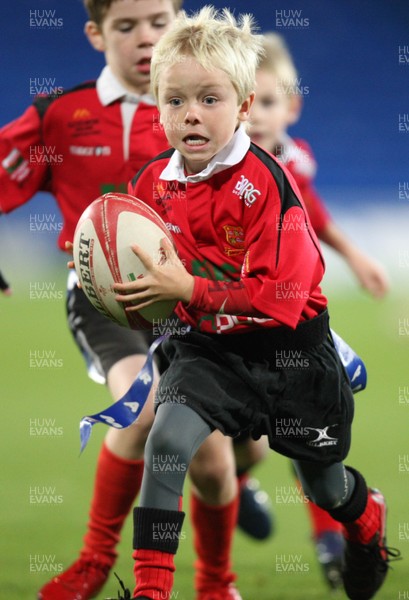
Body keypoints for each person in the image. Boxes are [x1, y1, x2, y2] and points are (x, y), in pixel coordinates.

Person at [109, 6, 399, 599]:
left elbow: (283, 300)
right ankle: (150, 592)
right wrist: (119, 289)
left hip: (292, 356)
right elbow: (147, 288)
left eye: (210, 98)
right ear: (156, 106)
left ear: (243, 107)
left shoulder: (268, 184)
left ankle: (365, 518)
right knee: (166, 443)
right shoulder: (146, 188)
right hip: (209, 351)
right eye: (175, 100)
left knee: (326, 489)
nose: (191, 113)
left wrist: (186, 289)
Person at [0, 2, 260, 599]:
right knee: (141, 412)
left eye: (158, 21)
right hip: (105, 301)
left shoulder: (201, 108)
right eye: (126, 26)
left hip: (192, 304)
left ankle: (218, 583)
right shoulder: (60, 115)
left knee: (216, 463)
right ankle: (95, 561)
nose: (146, 37)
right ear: (96, 34)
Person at [247, 31, 391, 590]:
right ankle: (233, 496)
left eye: (267, 102)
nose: (255, 116)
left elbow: (314, 208)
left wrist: (353, 253)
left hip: (285, 315)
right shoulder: (219, 159)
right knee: (236, 437)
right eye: (245, 100)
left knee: (302, 424)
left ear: (292, 106)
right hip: (231, 315)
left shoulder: (292, 161)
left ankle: (329, 537)